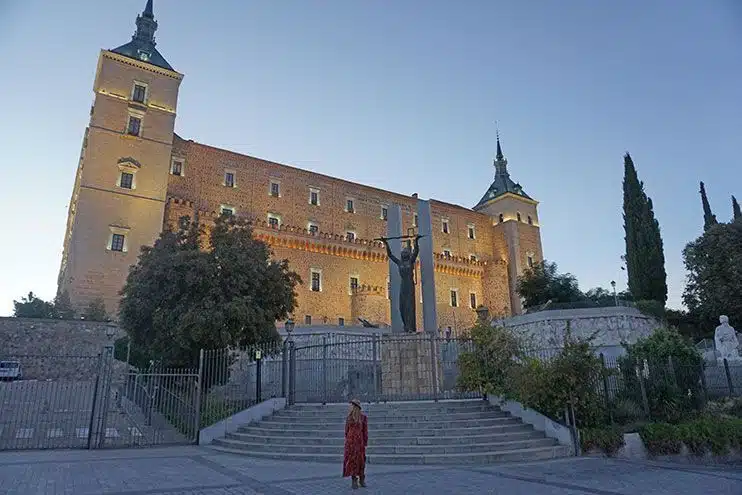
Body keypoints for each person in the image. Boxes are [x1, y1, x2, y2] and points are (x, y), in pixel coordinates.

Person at [343, 399, 368, 489]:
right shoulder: (349, 418)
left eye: (352, 406)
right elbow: (346, 431)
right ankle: (354, 479)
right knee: (352, 461)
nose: (350, 407)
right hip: (351, 443)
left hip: (359, 443)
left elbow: (365, 431)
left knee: (360, 461)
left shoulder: (363, 417)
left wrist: (364, 442)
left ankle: (361, 479)